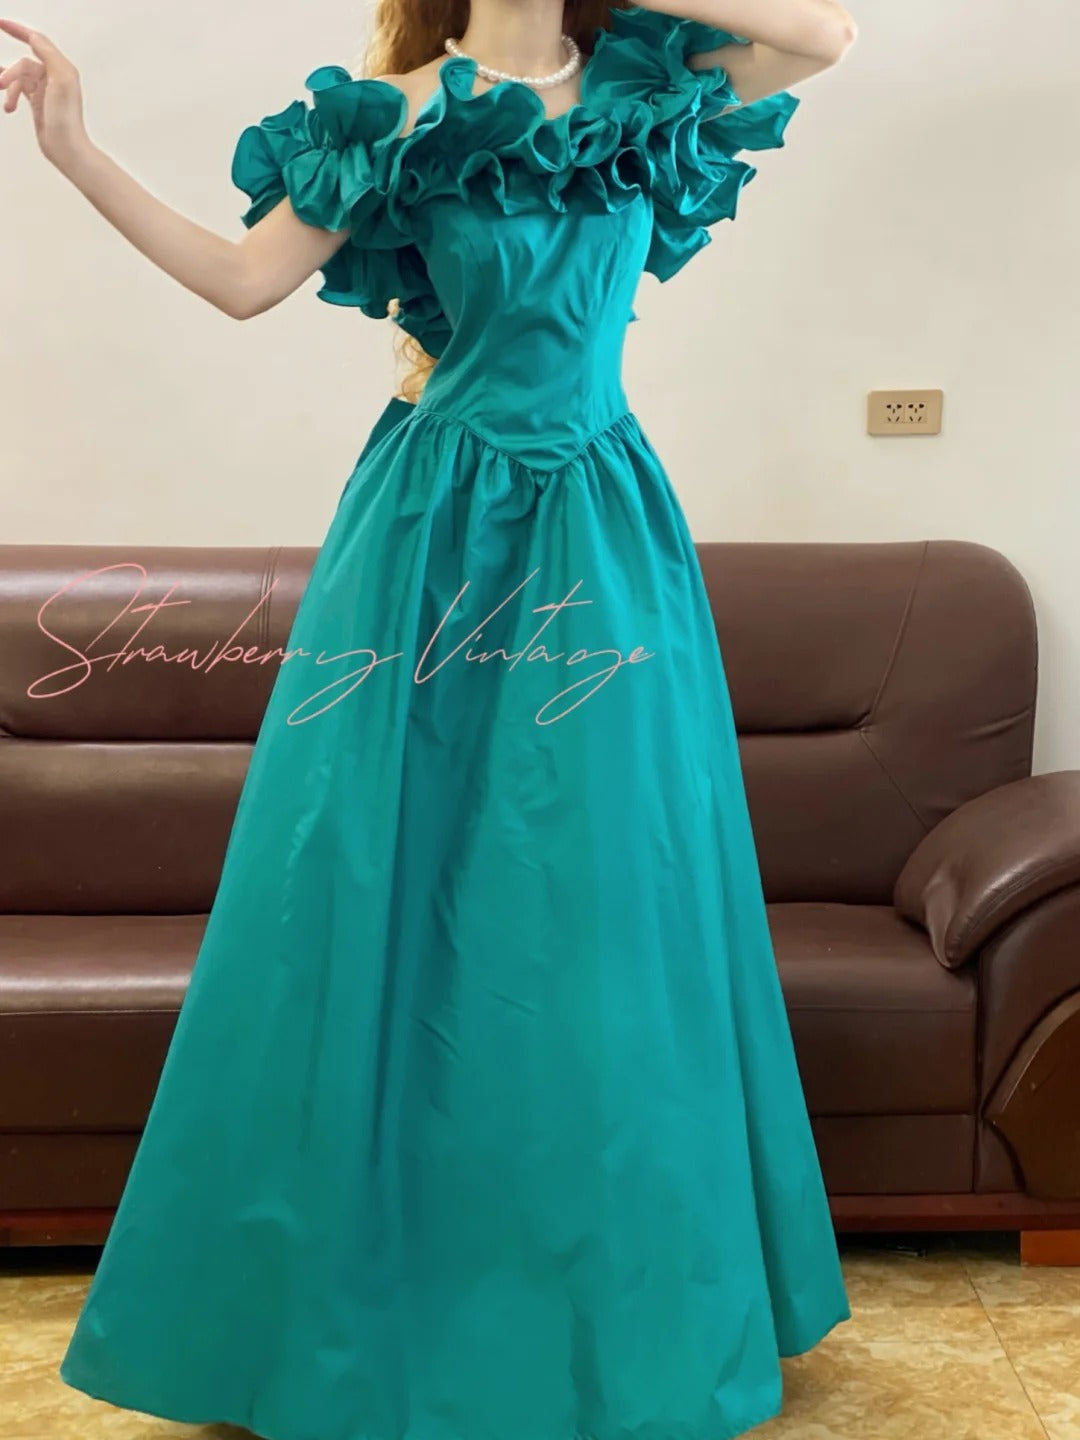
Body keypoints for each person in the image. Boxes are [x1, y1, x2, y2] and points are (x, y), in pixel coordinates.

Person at [1, 3, 859, 1438]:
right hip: (430, 537)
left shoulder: (650, 88)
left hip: (603, 529)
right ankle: (367, 1316)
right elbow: (241, 280)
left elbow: (824, 37)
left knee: (607, 902)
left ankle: (612, 1316)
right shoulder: (394, 116)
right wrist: (74, 144)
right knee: (377, 886)